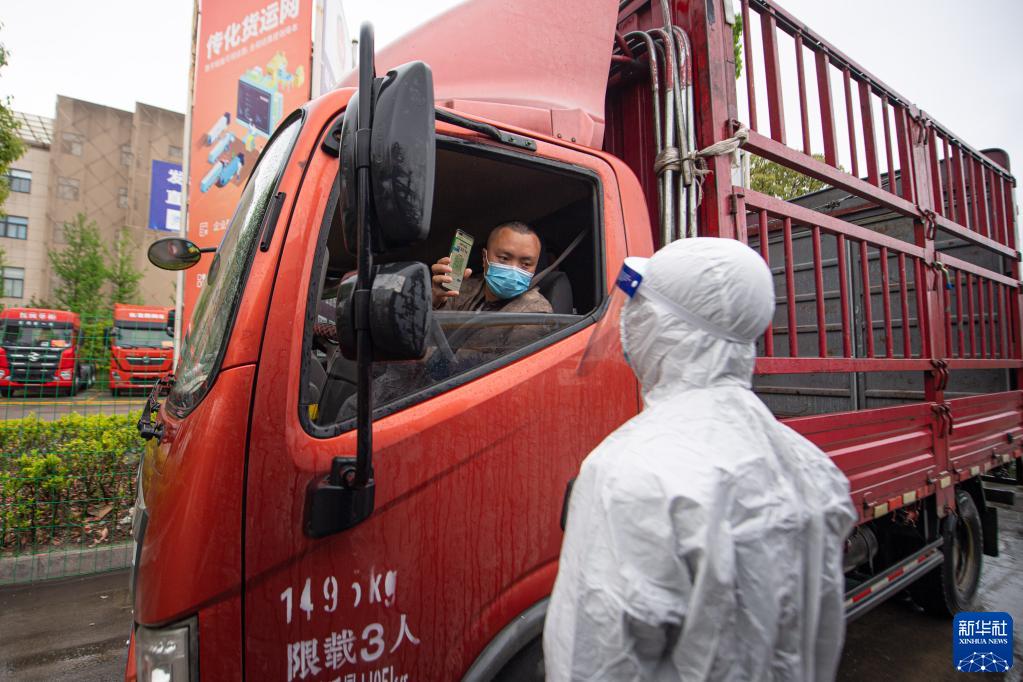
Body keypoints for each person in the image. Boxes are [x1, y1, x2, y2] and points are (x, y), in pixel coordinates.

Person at [544, 237, 857, 681]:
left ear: (659, 327)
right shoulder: (811, 467)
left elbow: (590, 663)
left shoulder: (628, 472)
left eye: (637, 312)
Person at [431, 221, 552, 315]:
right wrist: (434, 301)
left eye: (525, 264)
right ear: (484, 258)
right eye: (504, 258)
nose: (513, 270)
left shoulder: (536, 312)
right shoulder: (462, 289)